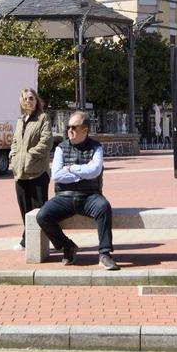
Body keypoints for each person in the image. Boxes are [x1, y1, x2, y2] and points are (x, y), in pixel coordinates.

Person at [35, 111, 118, 270]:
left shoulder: (96, 147)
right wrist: (82, 174)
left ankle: (104, 254)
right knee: (43, 216)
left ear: (85, 129)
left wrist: (72, 168)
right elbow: (57, 175)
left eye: (74, 127)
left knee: (104, 207)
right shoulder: (61, 148)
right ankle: (67, 246)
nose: (69, 130)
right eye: (68, 127)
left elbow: (94, 170)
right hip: (64, 196)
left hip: (90, 195)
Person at [8, 88, 52, 250]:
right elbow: (15, 141)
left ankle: (45, 240)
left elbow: (46, 142)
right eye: (25, 98)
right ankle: (28, 239)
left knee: (40, 210)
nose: (28, 101)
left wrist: (29, 156)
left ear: (36, 100)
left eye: (31, 98)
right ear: (21, 101)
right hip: (20, 173)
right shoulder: (20, 121)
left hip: (37, 172)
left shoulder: (43, 118)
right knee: (25, 209)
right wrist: (13, 154)